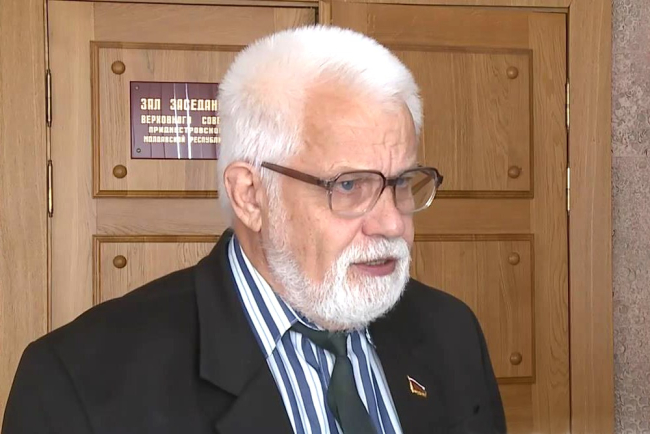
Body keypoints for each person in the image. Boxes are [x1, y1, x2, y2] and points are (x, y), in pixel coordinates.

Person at [2, 26, 505, 434]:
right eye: (349, 185)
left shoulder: (451, 332)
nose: (394, 223)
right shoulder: (78, 383)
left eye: (403, 183)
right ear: (250, 195)